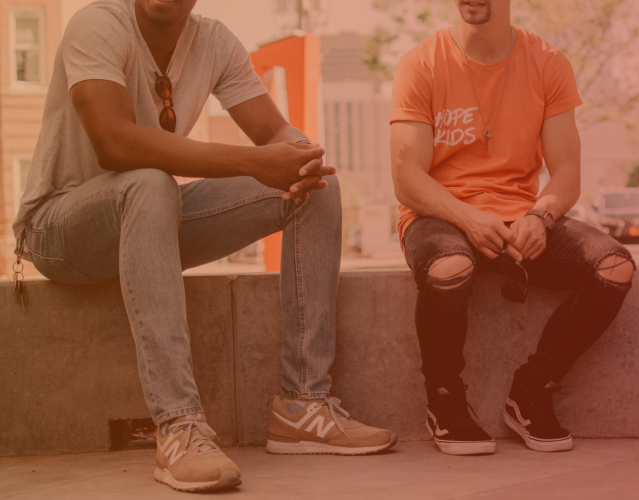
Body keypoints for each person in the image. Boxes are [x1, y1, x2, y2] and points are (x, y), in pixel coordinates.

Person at [12, 0, 395, 492]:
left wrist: (299, 157)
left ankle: (303, 405)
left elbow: (274, 131)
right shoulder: (98, 23)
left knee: (316, 190)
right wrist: (253, 163)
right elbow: (115, 144)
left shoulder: (213, 42)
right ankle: (178, 425)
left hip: (148, 218)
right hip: (57, 230)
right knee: (150, 182)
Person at [389, 0, 635, 456]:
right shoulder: (420, 64)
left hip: (520, 216)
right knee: (449, 267)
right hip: (439, 216)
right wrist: (465, 216)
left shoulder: (548, 62)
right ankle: (444, 401)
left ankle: (531, 389)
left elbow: (566, 173)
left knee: (614, 267)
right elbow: (407, 179)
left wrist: (541, 216)